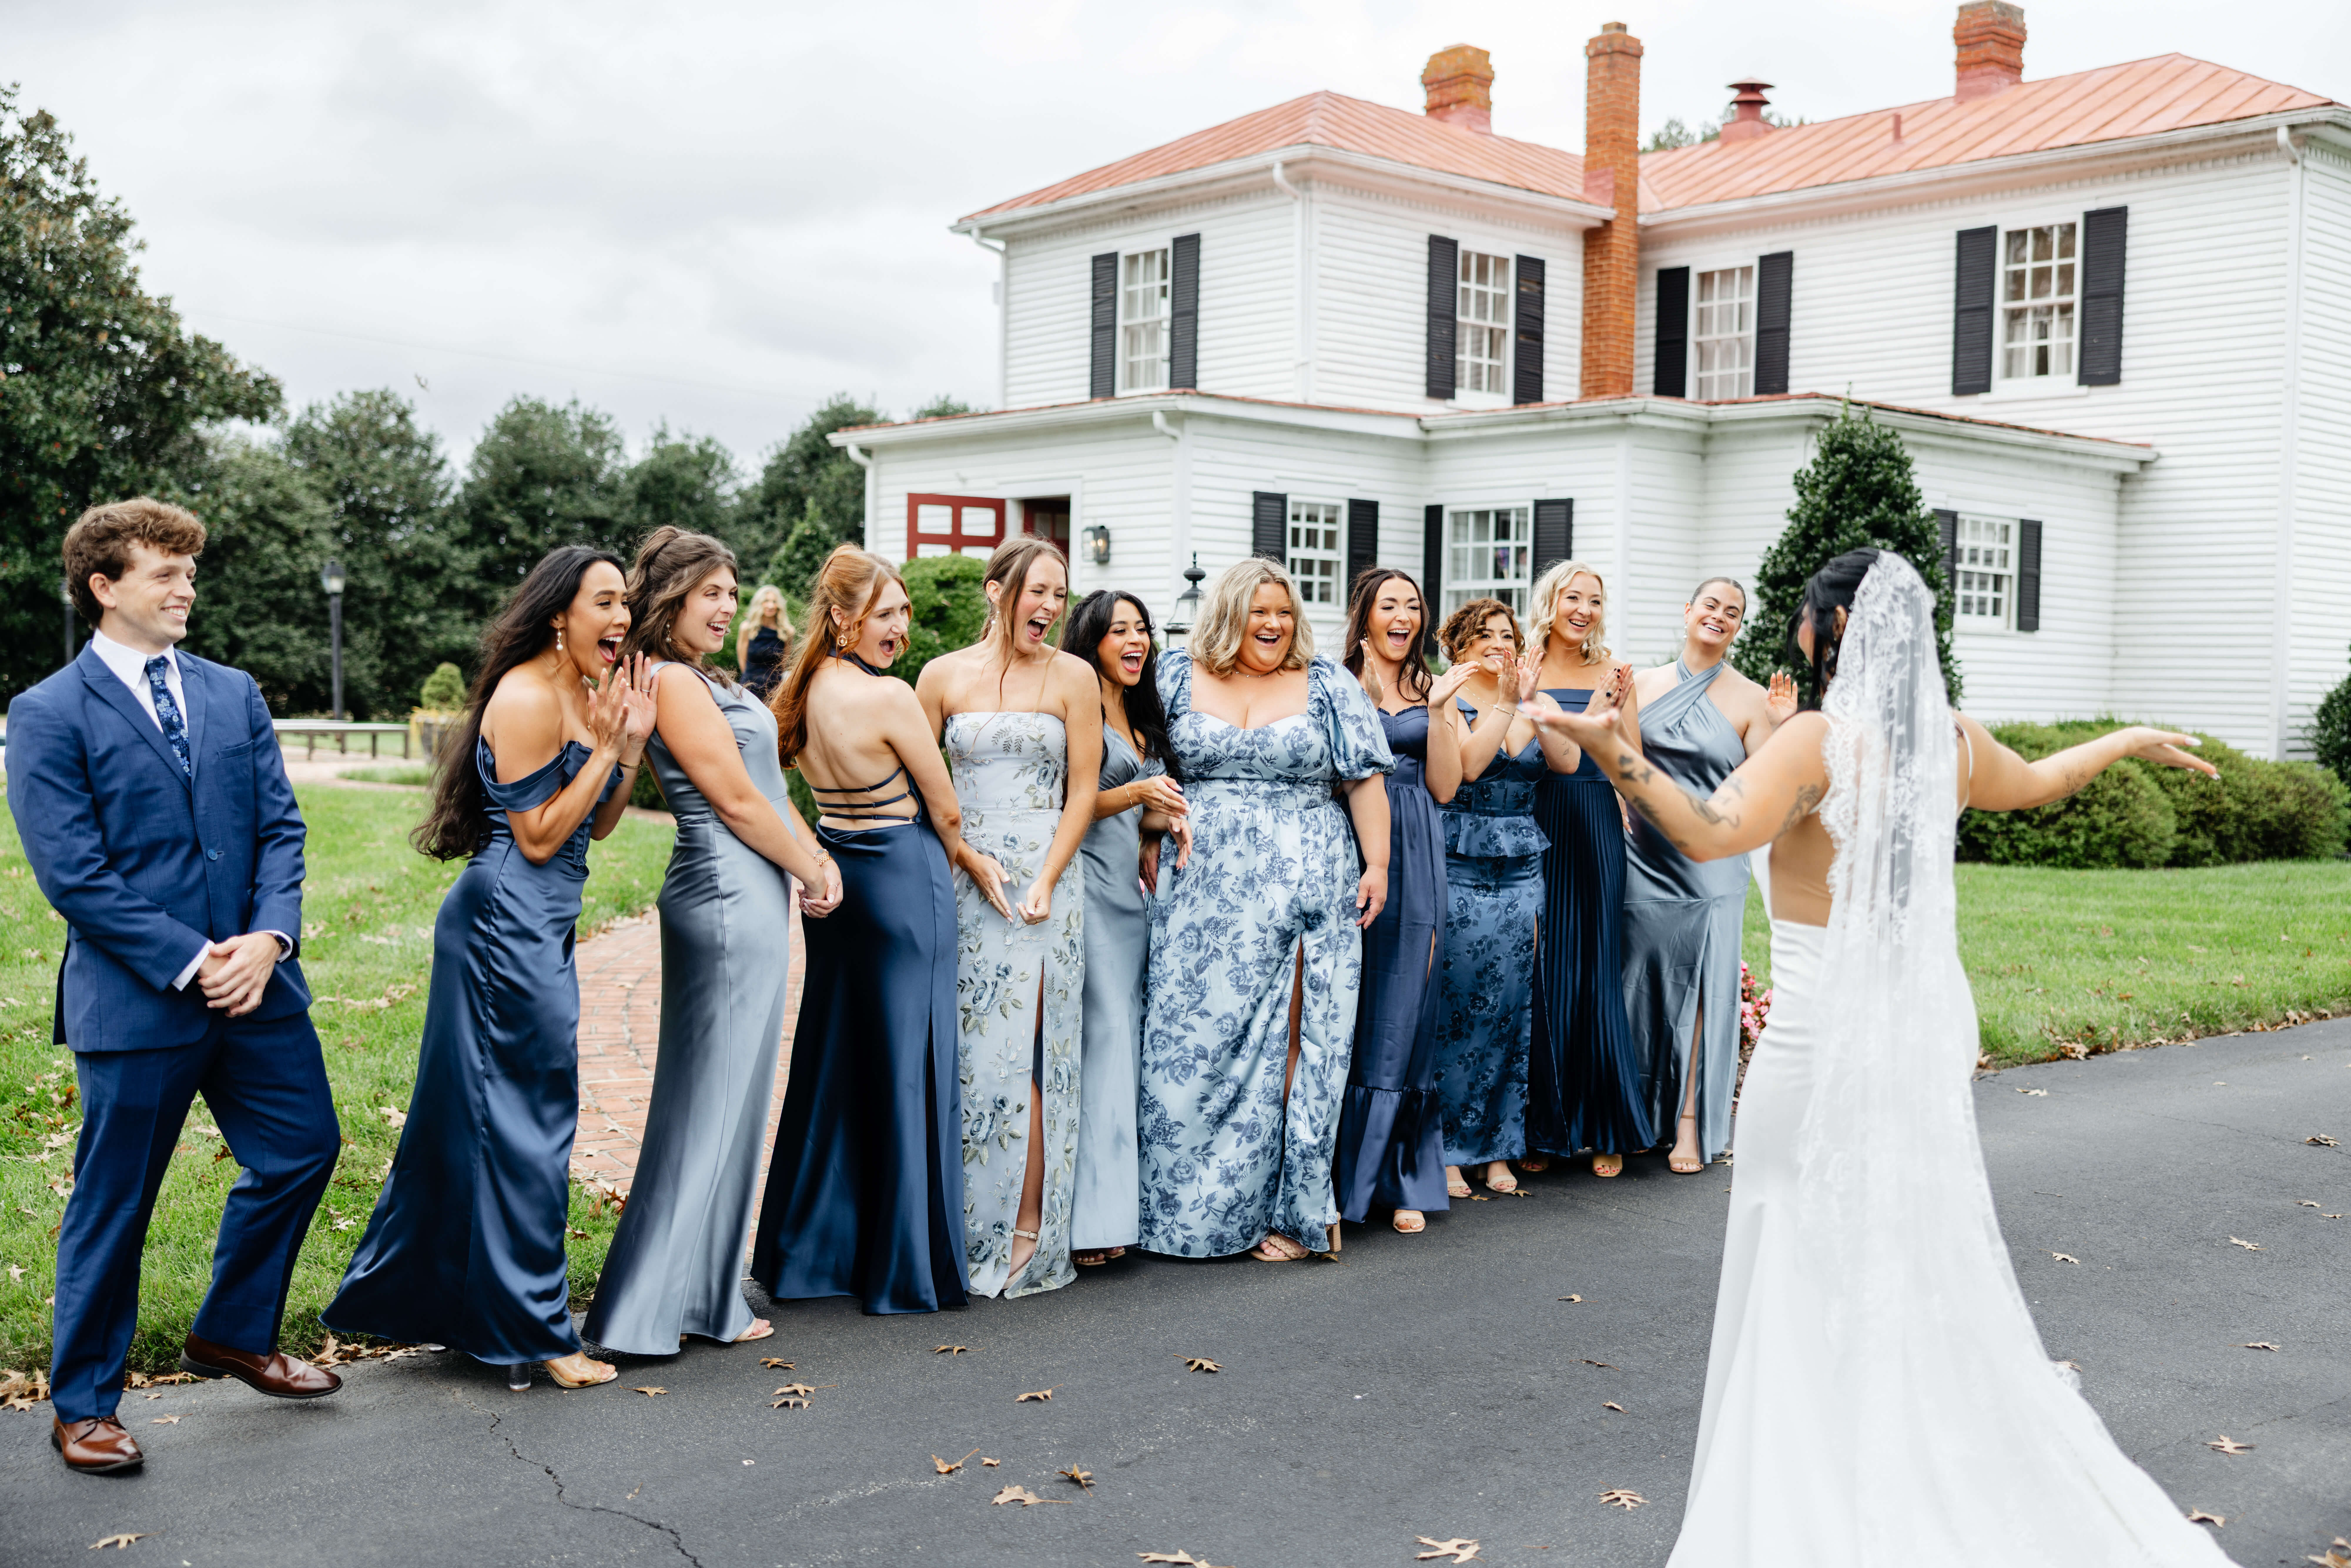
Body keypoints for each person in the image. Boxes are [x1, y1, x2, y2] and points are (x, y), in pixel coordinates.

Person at [1530, 549, 2228, 1567]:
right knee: (1898, 1252)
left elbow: (1710, 831)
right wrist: (2125, 738)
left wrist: (1611, 750)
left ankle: (1800, 1503)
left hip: (1816, 1045)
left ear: (1836, 630)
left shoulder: (1819, 739)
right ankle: (1891, 1465)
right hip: (1910, 1042)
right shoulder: (1952, 742)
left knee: (1793, 1253)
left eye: (1808, 616)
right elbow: (2040, 784)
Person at [13, 499, 344, 1473]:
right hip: (139, 1001)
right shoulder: (48, 712)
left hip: (260, 989)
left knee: (304, 1147)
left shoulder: (233, 692)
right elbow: (74, 875)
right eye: (168, 572)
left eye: (192, 571)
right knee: (116, 1203)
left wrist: (271, 939)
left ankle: (234, 1330)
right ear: (105, 587)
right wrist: (199, 958)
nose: (188, 587)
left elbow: (280, 828)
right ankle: (84, 1403)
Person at [327, 546, 656, 1392]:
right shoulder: (524, 695)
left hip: (541, 922)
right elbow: (541, 835)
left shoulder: (586, 693)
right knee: (530, 1124)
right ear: (560, 613)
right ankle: (536, 1332)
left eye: (626, 603)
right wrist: (608, 748)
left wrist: (626, 749)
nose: (622, 617)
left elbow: (602, 828)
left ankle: (461, 1310)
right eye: (606, 602)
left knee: (491, 1121)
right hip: (502, 922)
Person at [581, 530, 841, 1356]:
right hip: (724, 894)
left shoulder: (707, 679)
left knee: (733, 1101)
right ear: (673, 600)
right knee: (711, 1103)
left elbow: (769, 788)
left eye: (733, 592)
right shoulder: (669, 680)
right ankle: (649, 1308)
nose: (728, 607)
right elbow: (732, 798)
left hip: (752, 891)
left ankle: (701, 1292)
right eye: (711, 594)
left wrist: (814, 857)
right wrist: (809, 866)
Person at [1139, 559, 1392, 1262]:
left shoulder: (1326, 685)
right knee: (1184, 1050)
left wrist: (1376, 864)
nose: (1274, 625)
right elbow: (1138, 772)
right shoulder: (1175, 676)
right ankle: (1180, 1213)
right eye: (1258, 613)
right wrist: (1145, 834)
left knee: (1295, 1048)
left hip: (1305, 890)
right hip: (1198, 901)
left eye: (1283, 612)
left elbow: (1363, 780)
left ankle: (1287, 1213)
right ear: (1227, 615)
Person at [749, 547, 974, 1315]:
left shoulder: (797, 690)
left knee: (838, 1062)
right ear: (842, 617)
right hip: (906, 884)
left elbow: (784, 793)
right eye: (886, 613)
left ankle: (812, 1253)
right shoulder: (890, 700)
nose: (900, 627)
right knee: (913, 1063)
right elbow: (945, 810)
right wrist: (960, 862)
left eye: (904, 612)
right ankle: (904, 1262)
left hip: (838, 884)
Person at [917, 536, 1100, 1298]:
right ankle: (958, 1227)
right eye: (1039, 592)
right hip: (965, 885)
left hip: (1044, 890)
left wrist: (1047, 880)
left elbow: (1084, 791)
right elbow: (919, 785)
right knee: (967, 1055)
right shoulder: (939, 677)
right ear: (999, 591)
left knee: (1028, 1053)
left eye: (1061, 595)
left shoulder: (1073, 677)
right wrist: (962, 855)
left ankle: (1028, 1228)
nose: (1052, 609)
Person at [1622, 578, 1796, 1173]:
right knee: (1634, 982)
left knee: (1702, 988)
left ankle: (1691, 1124)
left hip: (1714, 863)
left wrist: (1784, 725)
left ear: (1738, 628)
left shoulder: (1752, 699)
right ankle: (1635, 1114)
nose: (1719, 616)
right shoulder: (1639, 684)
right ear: (1688, 611)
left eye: (1733, 612)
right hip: (1641, 855)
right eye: (1711, 605)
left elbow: (1768, 794)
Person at [1427, 599, 1578, 1201]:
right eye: (1484, 635)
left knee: (1511, 1006)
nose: (1498, 643)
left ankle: (1498, 1146)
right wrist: (1508, 702)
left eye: (1507, 634)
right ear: (1459, 647)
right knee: (1457, 1006)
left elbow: (1565, 763)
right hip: (1461, 864)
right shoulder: (1452, 702)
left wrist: (1536, 704)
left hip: (1522, 868)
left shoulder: (1527, 697)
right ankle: (1446, 1151)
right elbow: (1466, 768)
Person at [1332, 569, 1468, 1235]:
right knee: (1347, 1005)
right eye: (1389, 605)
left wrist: (1440, 709)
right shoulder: (1331, 682)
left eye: (1413, 606)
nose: (1403, 616)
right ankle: (1337, 1173)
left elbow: (1445, 786)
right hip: (1343, 847)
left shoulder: (1427, 688)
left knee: (1405, 1008)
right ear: (1365, 614)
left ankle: (1401, 1174)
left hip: (1415, 848)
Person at [1057, 590, 1188, 1267]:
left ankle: (1116, 1211)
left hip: (1129, 895)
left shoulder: (1142, 710)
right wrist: (1137, 796)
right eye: (1120, 632)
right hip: (1082, 887)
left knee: (1123, 1046)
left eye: (1141, 630)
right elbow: (1066, 803)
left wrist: (1154, 824)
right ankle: (1087, 1222)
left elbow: (1144, 803)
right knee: (1103, 1043)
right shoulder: (1075, 700)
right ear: (1092, 641)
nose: (1135, 641)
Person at [1523, 559, 1648, 1177]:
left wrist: (1631, 814)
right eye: (1573, 597)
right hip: (1537, 818)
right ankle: (1546, 1126)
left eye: (1594, 601)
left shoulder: (1615, 672)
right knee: (1542, 970)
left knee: (1594, 966)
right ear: (1551, 601)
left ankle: (1603, 1123)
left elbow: (1630, 759)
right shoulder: (1525, 666)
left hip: (1596, 820)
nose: (1584, 610)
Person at [736, 584, 793, 699]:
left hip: (775, 690)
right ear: (759, 603)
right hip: (750, 688)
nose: (771, 606)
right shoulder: (747, 628)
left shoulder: (788, 632)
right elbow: (743, 661)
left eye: (775, 602)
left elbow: (785, 663)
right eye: (766, 601)